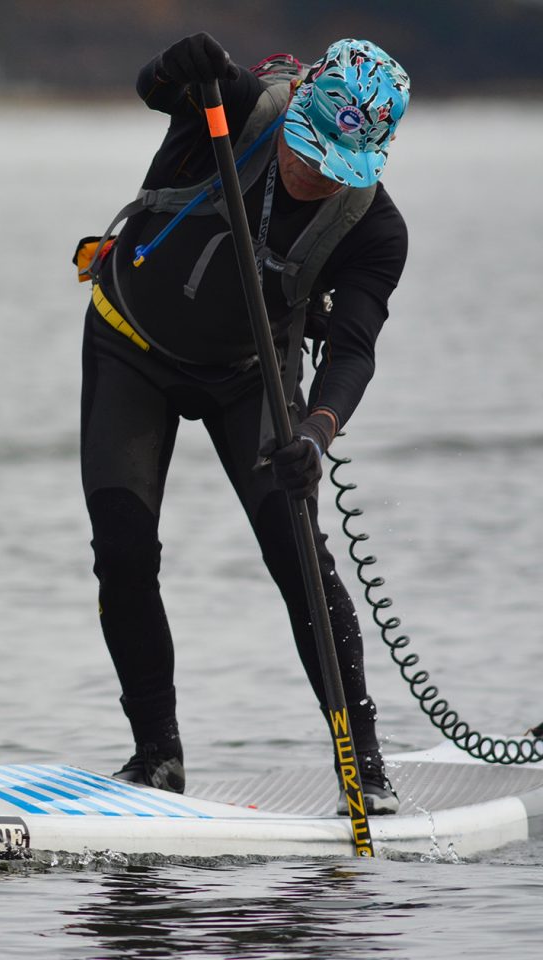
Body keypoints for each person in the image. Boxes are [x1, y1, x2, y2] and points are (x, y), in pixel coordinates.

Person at [78, 33, 410, 814]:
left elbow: (353, 350)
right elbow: (152, 86)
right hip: (131, 347)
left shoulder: (375, 231)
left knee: (298, 557)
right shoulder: (230, 104)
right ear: (298, 111)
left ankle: (363, 768)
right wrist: (177, 65)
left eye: (336, 167)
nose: (313, 173)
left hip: (250, 377)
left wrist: (316, 434)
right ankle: (157, 758)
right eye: (308, 150)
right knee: (124, 549)